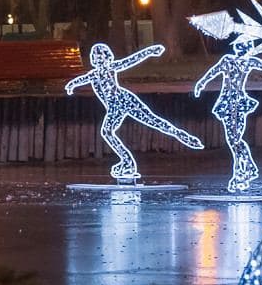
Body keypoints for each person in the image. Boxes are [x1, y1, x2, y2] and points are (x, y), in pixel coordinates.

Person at [64, 43, 203, 182]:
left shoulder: (111, 68)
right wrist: (70, 85)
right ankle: (127, 161)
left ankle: (182, 136)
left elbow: (131, 60)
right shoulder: (93, 74)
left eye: (102, 56)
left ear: (107, 58)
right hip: (114, 107)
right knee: (107, 132)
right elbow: (81, 79)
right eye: (96, 57)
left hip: (124, 100)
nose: (99, 60)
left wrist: (150, 51)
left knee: (153, 121)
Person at [194, 40, 262, 192]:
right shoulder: (228, 61)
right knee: (233, 140)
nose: (242, 50)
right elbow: (213, 71)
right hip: (227, 102)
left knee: (235, 139)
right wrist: (201, 83)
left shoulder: (249, 62)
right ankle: (247, 169)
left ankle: (242, 173)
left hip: (238, 103)